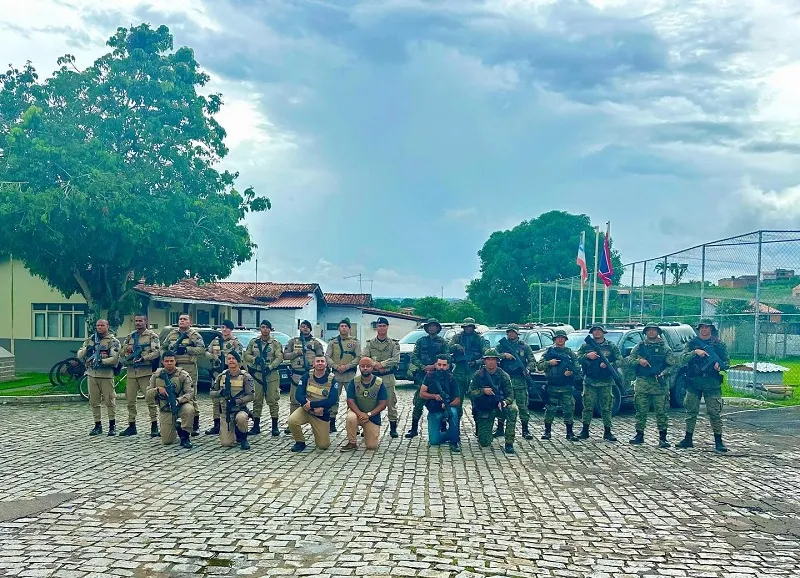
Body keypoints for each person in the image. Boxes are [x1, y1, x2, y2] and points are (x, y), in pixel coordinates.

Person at [676, 318, 731, 452]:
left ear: (711, 329)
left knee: (714, 412)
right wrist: (695, 352)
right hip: (694, 382)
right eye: (702, 327)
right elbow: (681, 359)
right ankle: (688, 439)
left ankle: (718, 441)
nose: (704, 329)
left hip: (712, 382)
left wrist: (720, 366)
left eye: (707, 327)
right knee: (691, 411)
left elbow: (727, 362)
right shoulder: (692, 343)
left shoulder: (719, 345)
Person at [626, 323, 675, 448]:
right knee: (640, 411)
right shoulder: (639, 347)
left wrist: (664, 373)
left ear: (658, 332)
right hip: (643, 383)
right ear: (645, 332)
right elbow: (629, 360)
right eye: (649, 330)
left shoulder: (665, 348)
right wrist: (639, 361)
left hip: (659, 385)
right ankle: (639, 435)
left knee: (661, 412)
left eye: (654, 330)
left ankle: (663, 437)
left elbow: (672, 365)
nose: (651, 332)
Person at [160, 314, 205, 436]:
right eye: (180, 319)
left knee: (191, 395)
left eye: (185, 319)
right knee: (173, 393)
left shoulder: (194, 335)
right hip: (173, 368)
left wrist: (186, 350)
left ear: (190, 322)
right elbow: (163, 347)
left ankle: (195, 425)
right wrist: (166, 356)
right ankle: (171, 424)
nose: (182, 321)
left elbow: (202, 349)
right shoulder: (172, 334)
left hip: (188, 367)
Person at [576, 324, 622, 442]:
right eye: (594, 330)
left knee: (606, 407)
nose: (596, 332)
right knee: (587, 407)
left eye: (599, 330)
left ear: (603, 332)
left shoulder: (611, 346)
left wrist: (609, 365)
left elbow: (620, 360)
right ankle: (585, 430)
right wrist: (587, 356)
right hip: (590, 380)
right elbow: (577, 358)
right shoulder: (586, 345)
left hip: (605, 381)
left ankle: (608, 431)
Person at [468, 349, 518, 454]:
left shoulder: (503, 375)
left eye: (493, 359)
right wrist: (482, 391)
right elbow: (470, 393)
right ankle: (485, 431)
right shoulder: (478, 375)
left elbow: (510, 395)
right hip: (485, 408)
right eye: (488, 359)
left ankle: (509, 443)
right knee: (484, 442)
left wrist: (505, 402)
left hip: (498, 406)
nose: (491, 362)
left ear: (497, 361)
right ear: (484, 361)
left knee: (512, 410)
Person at [118, 314, 160, 437]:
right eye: (136, 321)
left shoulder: (152, 336)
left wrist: (144, 358)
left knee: (150, 400)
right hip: (131, 372)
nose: (138, 323)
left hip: (145, 372)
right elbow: (121, 353)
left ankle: (154, 425)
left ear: (145, 322)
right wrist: (127, 350)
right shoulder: (130, 336)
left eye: (140, 321)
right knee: (130, 401)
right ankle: (131, 425)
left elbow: (157, 352)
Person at [77, 319, 121, 436]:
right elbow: (80, 354)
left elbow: (115, 357)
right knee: (94, 401)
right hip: (92, 374)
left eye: (102, 325)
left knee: (110, 400)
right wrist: (87, 350)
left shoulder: (113, 341)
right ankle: (97, 425)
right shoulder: (90, 340)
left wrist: (101, 361)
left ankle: (112, 425)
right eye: (98, 325)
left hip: (106, 375)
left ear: (107, 326)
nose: (99, 327)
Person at [406, 318, 448, 439]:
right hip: (422, 376)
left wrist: (435, 366)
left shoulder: (443, 342)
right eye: (430, 326)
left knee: (440, 401)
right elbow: (414, 356)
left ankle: (443, 426)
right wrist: (423, 367)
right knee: (418, 402)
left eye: (434, 326)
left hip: (438, 376)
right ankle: (414, 429)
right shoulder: (420, 341)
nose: (432, 328)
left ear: (438, 328)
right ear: (427, 328)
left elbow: (446, 356)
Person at [286, 355, 339, 452]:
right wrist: (307, 405)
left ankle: (318, 434)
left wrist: (313, 405)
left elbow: (332, 400)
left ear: (326, 364)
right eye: (317, 361)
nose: (320, 363)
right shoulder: (306, 376)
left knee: (323, 445)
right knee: (292, 421)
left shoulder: (332, 379)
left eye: (322, 361)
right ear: (313, 364)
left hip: (321, 414)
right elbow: (298, 394)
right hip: (306, 410)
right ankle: (300, 442)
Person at [537, 330, 582, 441]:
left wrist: (571, 373)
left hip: (566, 387)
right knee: (550, 409)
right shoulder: (548, 352)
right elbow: (539, 366)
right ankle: (547, 432)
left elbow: (577, 369)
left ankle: (569, 432)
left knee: (569, 408)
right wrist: (549, 363)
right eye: (558, 338)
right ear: (554, 340)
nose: (560, 339)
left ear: (565, 339)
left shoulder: (570, 353)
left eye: (562, 338)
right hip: (552, 386)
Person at [283, 320, 325, 434]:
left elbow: (321, 356)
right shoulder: (293, 341)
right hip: (297, 374)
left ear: (310, 329)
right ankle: (292, 424)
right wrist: (296, 353)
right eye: (302, 327)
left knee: (314, 399)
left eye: (307, 327)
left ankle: (317, 423)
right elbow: (285, 355)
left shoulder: (315, 342)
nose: (304, 329)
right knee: (294, 401)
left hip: (311, 375)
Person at [146, 352, 194, 449]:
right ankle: (177, 427)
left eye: (171, 361)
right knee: (167, 441)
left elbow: (190, 393)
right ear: (163, 362)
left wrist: (178, 400)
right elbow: (147, 394)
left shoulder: (183, 375)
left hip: (181, 405)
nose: (169, 363)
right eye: (166, 361)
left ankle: (185, 436)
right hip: (166, 408)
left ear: (175, 361)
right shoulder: (156, 376)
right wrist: (157, 390)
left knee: (189, 410)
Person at [243, 319, 283, 436]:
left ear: (270, 329)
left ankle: (275, 426)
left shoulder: (275, 343)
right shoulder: (254, 342)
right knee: (257, 399)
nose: (265, 329)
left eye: (267, 327)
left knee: (272, 399)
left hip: (271, 375)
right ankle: (256, 426)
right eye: (263, 327)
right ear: (260, 328)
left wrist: (270, 367)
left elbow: (279, 357)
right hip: (257, 375)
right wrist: (255, 360)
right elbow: (246, 354)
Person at [203, 320, 244, 435]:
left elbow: (239, 356)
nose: (224, 329)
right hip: (217, 373)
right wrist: (213, 356)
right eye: (223, 327)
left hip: (229, 374)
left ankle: (232, 423)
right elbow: (206, 352)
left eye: (226, 328)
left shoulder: (235, 342)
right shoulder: (216, 341)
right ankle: (216, 424)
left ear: (231, 329)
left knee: (230, 397)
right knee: (216, 399)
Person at [496, 324, 536, 440]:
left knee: (522, 406)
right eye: (509, 332)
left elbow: (532, 360)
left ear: (517, 333)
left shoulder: (524, 346)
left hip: (519, 380)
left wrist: (528, 369)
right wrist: (504, 355)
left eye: (513, 332)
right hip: (504, 380)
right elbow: (492, 355)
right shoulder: (501, 346)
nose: (511, 334)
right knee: (503, 404)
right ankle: (500, 428)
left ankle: (525, 430)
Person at [363, 317, 401, 438]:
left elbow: (396, 359)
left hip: (388, 377)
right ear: (377, 328)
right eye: (380, 326)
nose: (382, 328)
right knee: (370, 403)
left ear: (387, 327)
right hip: (373, 378)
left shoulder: (393, 343)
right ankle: (368, 427)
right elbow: (365, 357)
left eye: (384, 326)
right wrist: (375, 365)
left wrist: (382, 364)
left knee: (391, 403)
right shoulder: (370, 343)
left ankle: (393, 428)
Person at [341, 357, 388, 451]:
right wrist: (360, 414)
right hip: (357, 414)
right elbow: (350, 401)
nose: (365, 368)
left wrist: (369, 414)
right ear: (359, 367)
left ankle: (367, 432)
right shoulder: (354, 382)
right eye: (363, 366)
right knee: (350, 417)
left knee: (371, 446)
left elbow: (383, 404)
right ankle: (352, 442)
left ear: (372, 368)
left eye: (368, 366)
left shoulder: (379, 383)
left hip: (372, 417)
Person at [210, 351, 254, 450]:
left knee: (241, 418)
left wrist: (237, 401)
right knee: (226, 443)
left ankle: (243, 438)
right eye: (229, 359)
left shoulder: (245, 377)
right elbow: (211, 393)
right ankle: (234, 431)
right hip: (226, 412)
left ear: (238, 361)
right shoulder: (221, 376)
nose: (231, 361)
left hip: (240, 409)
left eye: (233, 358)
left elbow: (251, 396)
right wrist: (220, 393)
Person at [326, 318, 361, 433]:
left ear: (349, 328)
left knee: (352, 400)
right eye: (341, 326)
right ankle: (332, 423)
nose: (343, 328)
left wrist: (346, 366)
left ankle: (353, 424)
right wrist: (336, 366)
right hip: (336, 375)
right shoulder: (332, 342)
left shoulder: (355, 342)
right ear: (338, 328)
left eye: (346, 326)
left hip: (350, 375)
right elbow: (327, 357)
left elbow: (358, 357)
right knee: (333, 399)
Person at [448, 317, 488, 420]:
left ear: (473, 327)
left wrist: (476, 361)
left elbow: (487, 355)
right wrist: (456, 346)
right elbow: (448, 348)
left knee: (477, 401)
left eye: (470, 326)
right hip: (459, 370)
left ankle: (479, 427)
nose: (468, 328)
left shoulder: (479, 339)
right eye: (466, 326)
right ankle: (455, 426)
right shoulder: (457, 337)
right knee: (457, 399)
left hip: (474, 371)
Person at [420, 355, 462, 453]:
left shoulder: (452, 378)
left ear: (448, 366)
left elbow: (457, 400)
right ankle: (450, 434)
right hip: (434, 410)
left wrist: (448, 405)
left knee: (454, 413)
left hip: (448, 407)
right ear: (435, 365)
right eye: (439, 364)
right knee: (434, 441)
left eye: (444, 365)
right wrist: (434, 396)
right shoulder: (429, 376)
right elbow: (422, 393)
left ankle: (454, 441)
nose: (441, 367)